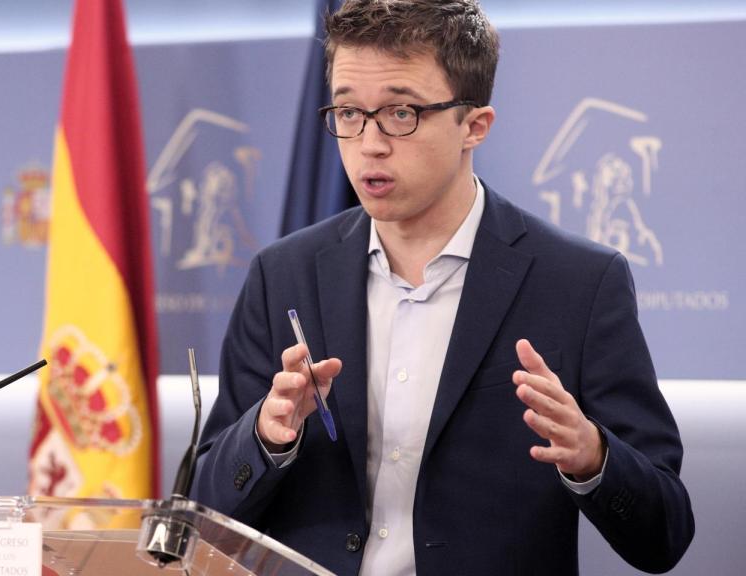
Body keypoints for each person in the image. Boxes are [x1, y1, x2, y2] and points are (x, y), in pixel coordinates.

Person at [189, 1, 695, 575]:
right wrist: (266, 436)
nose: (369, 144)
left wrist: (594, 459)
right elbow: (205, 512)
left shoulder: (578, 282)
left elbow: (665, 533)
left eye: (401, 113)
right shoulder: (283, 273)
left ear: (474, 126)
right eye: (349, 112)